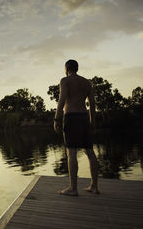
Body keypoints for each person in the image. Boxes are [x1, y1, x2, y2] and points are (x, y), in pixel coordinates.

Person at [53, 59, 99, 196]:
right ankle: (94, 186)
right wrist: (93, 122)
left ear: (66, 69)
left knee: (71, 153)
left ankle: (73, 188)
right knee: (90, 152)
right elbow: (92, 104)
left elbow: (62, 100)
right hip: (84, 118)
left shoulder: (65, 80)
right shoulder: (87, 82)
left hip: (72, 118)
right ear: (77, 68)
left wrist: (56, 119)